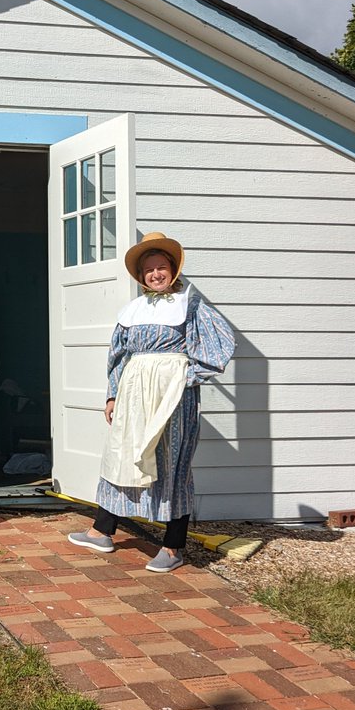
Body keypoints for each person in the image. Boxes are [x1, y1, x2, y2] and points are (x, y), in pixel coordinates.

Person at [67, 231, 234, 572]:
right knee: (124, 453)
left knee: (172, 462)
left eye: (162, 267)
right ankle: (102, 530)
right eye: (149, 270)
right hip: (133, 391)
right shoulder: (133, 309)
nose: (156, 274)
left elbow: (222, 342)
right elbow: (118, 354)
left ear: (173, 270)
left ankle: (172, 547)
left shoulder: (191, 303)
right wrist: (113, 394)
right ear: (140, 276)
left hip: (172, 395)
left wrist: (185, 376)